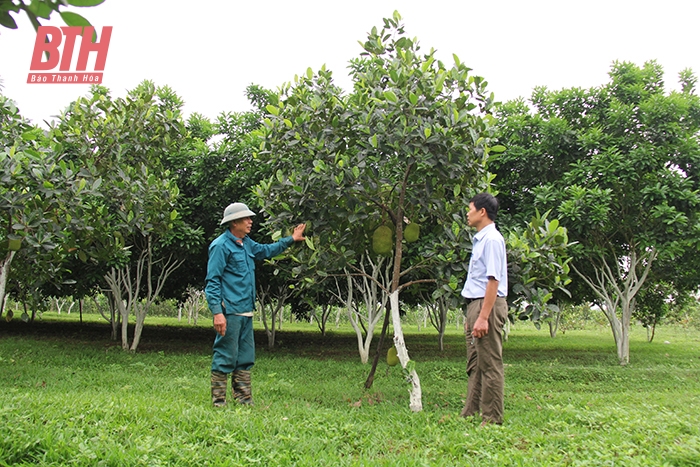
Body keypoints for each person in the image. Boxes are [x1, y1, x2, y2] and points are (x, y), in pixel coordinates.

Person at [205, 202, 306, 407]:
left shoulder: (246, 243)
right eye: (246, 218)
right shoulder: (220, 246)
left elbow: (266, 250)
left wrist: (291, 239)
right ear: (234, 223)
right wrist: (217, 312)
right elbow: (212, 281)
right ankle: (219, 402)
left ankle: (244, 399)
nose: (251, 221)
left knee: (245, 357)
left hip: (245, 310)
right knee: (225, 354)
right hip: (229, 311)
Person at [459, 193, 508, 426]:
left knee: (489, 364)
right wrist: (473, 315)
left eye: (470, 209)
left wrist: (483, 317)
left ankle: (492, 418)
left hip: (486, 304)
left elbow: (493, 281)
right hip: (476, 303)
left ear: (482, 212)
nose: (467, 213)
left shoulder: (492, 240)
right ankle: (471, 410)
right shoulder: (481, 239)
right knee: (476, 364)